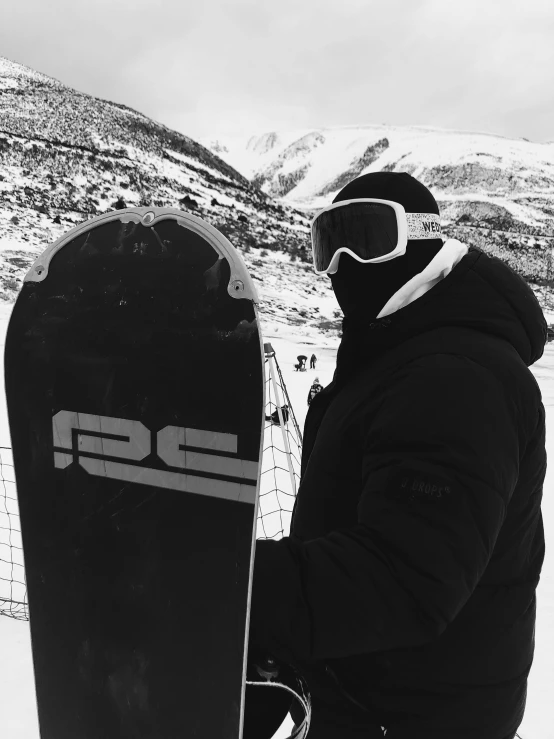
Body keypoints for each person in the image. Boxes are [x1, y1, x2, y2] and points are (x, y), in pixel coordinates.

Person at [247, 172, 547, 738]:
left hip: (416, 714)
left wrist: (237, 584)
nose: (341, 261)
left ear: (422, 238)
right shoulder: (397, 353)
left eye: (365, 236)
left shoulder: (459, 379)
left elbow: (406, 578)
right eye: (325, 242)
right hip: (366, 688)